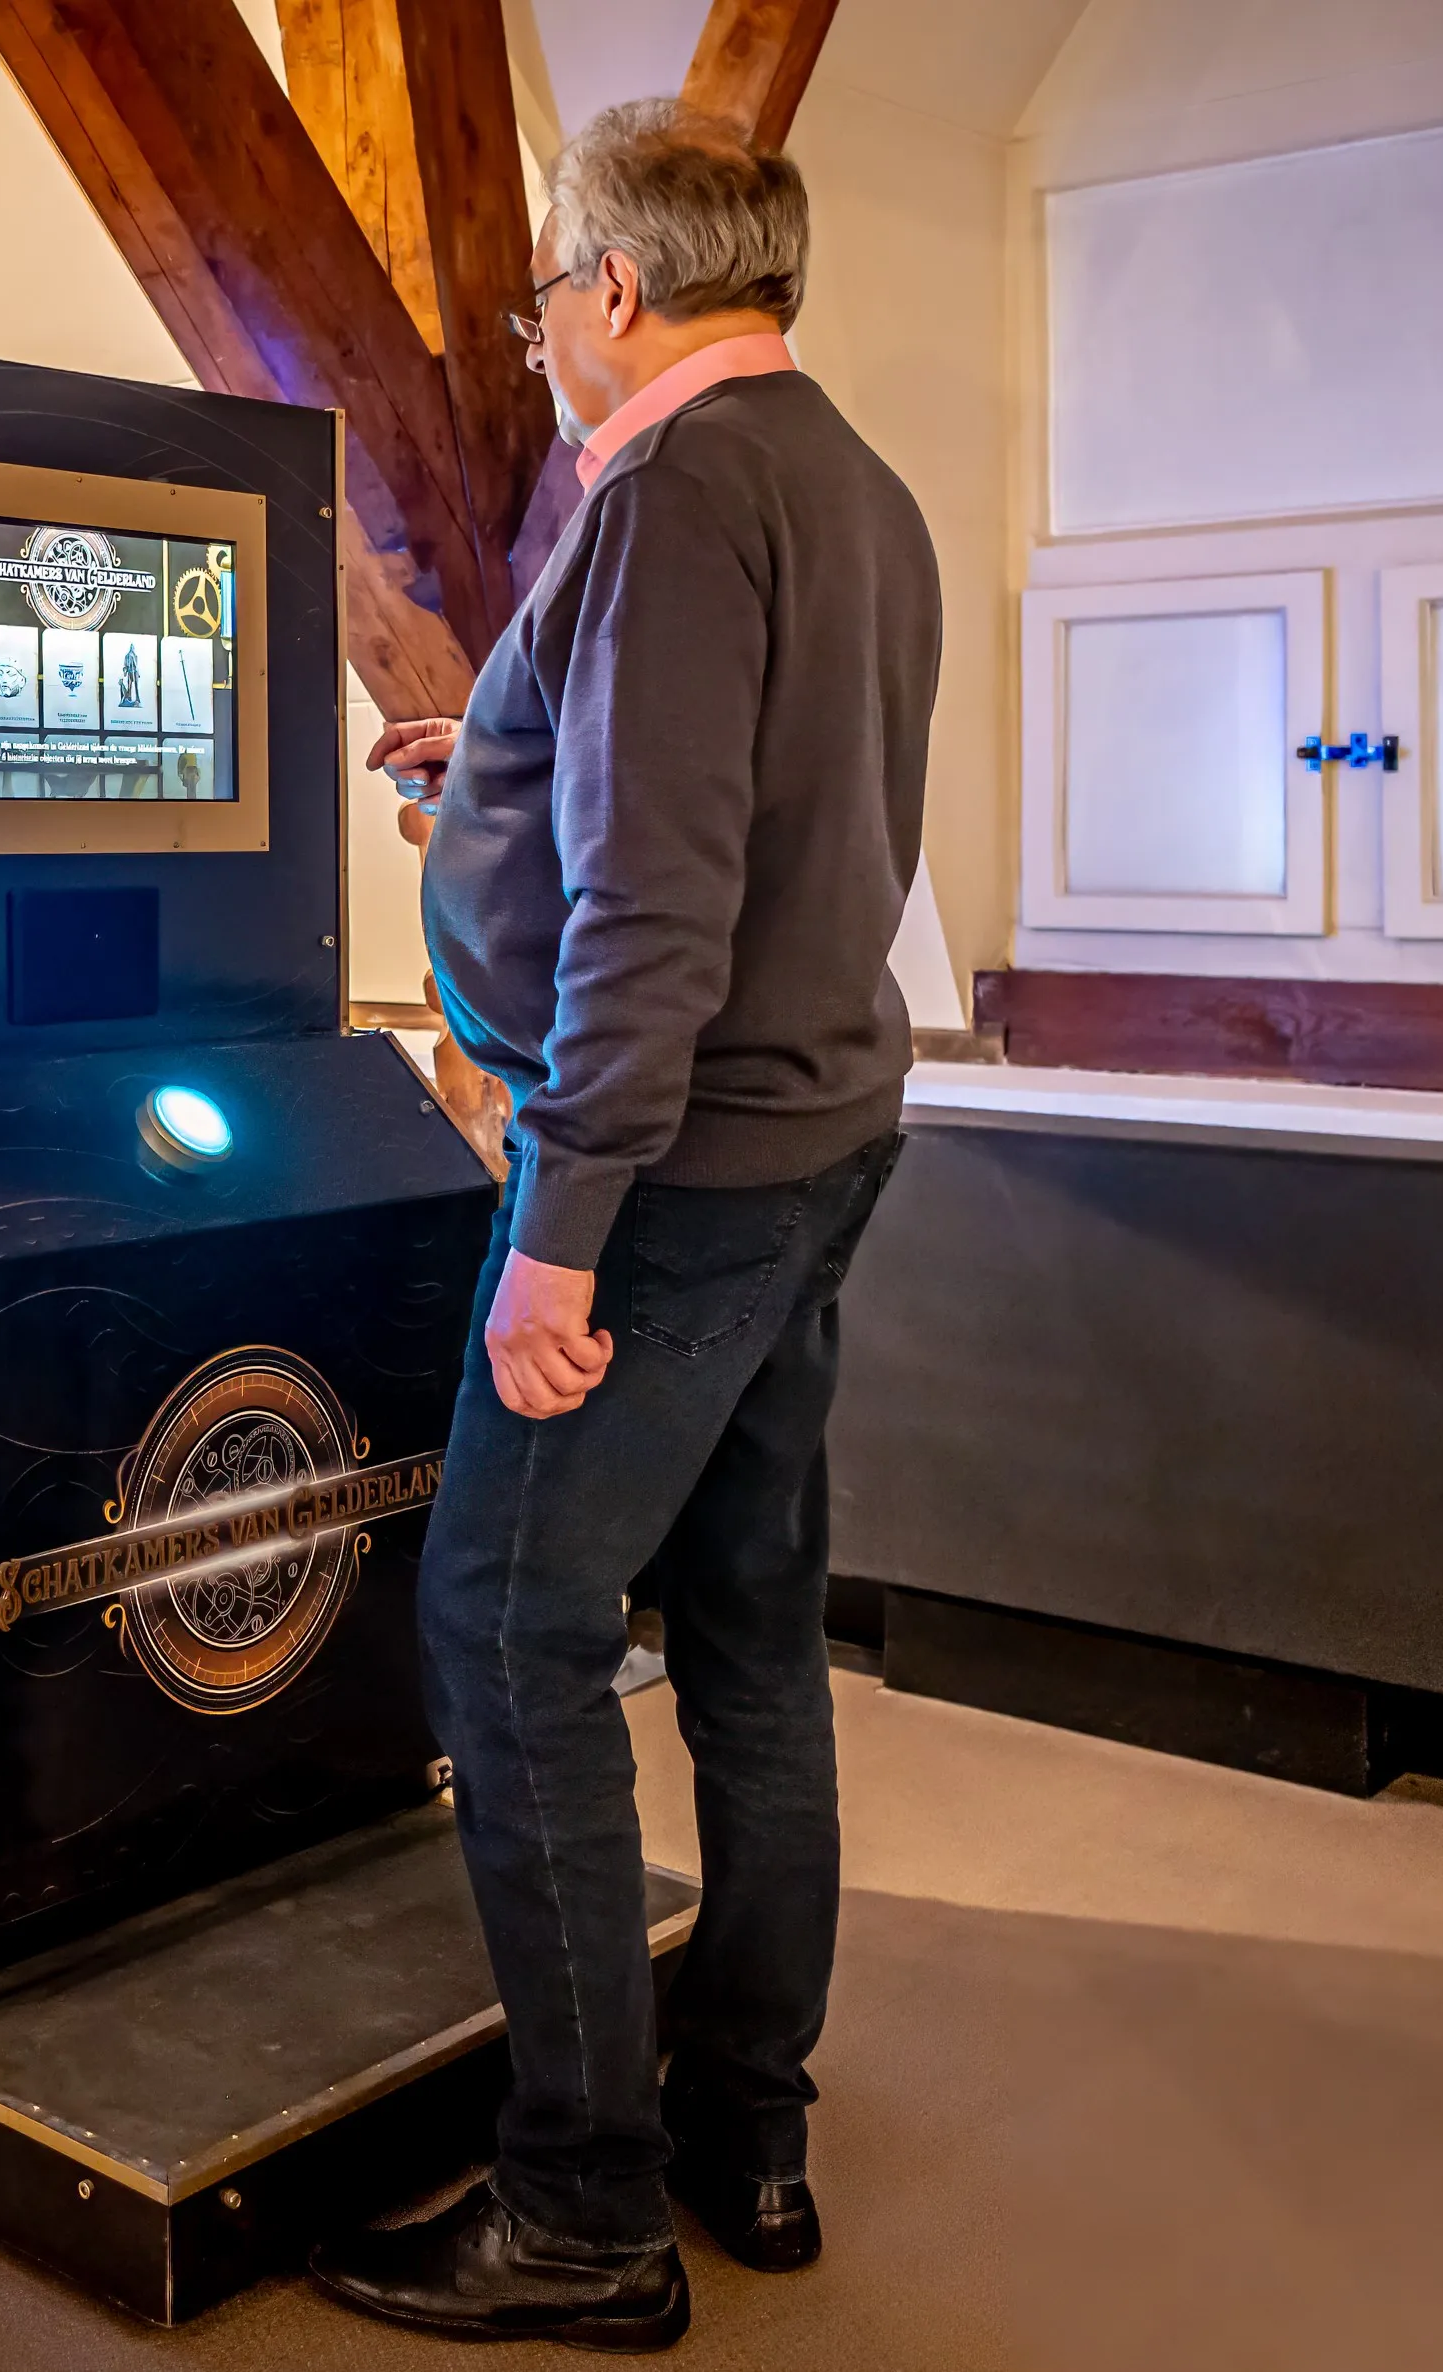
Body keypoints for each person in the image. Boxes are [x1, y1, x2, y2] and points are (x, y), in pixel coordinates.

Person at [307, 100, 939, 2351]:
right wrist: (473, 774)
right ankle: (741, 2122)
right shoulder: (848, 479)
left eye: (541, 294)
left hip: (662, 1181)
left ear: (616, 288)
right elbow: (737, 823)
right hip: (809, 1143)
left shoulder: (670, 494)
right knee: (755, 1633)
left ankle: (582, 2207)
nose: (537, 332)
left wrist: (558, 1230)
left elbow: (658, 907)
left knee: (502, 1625)